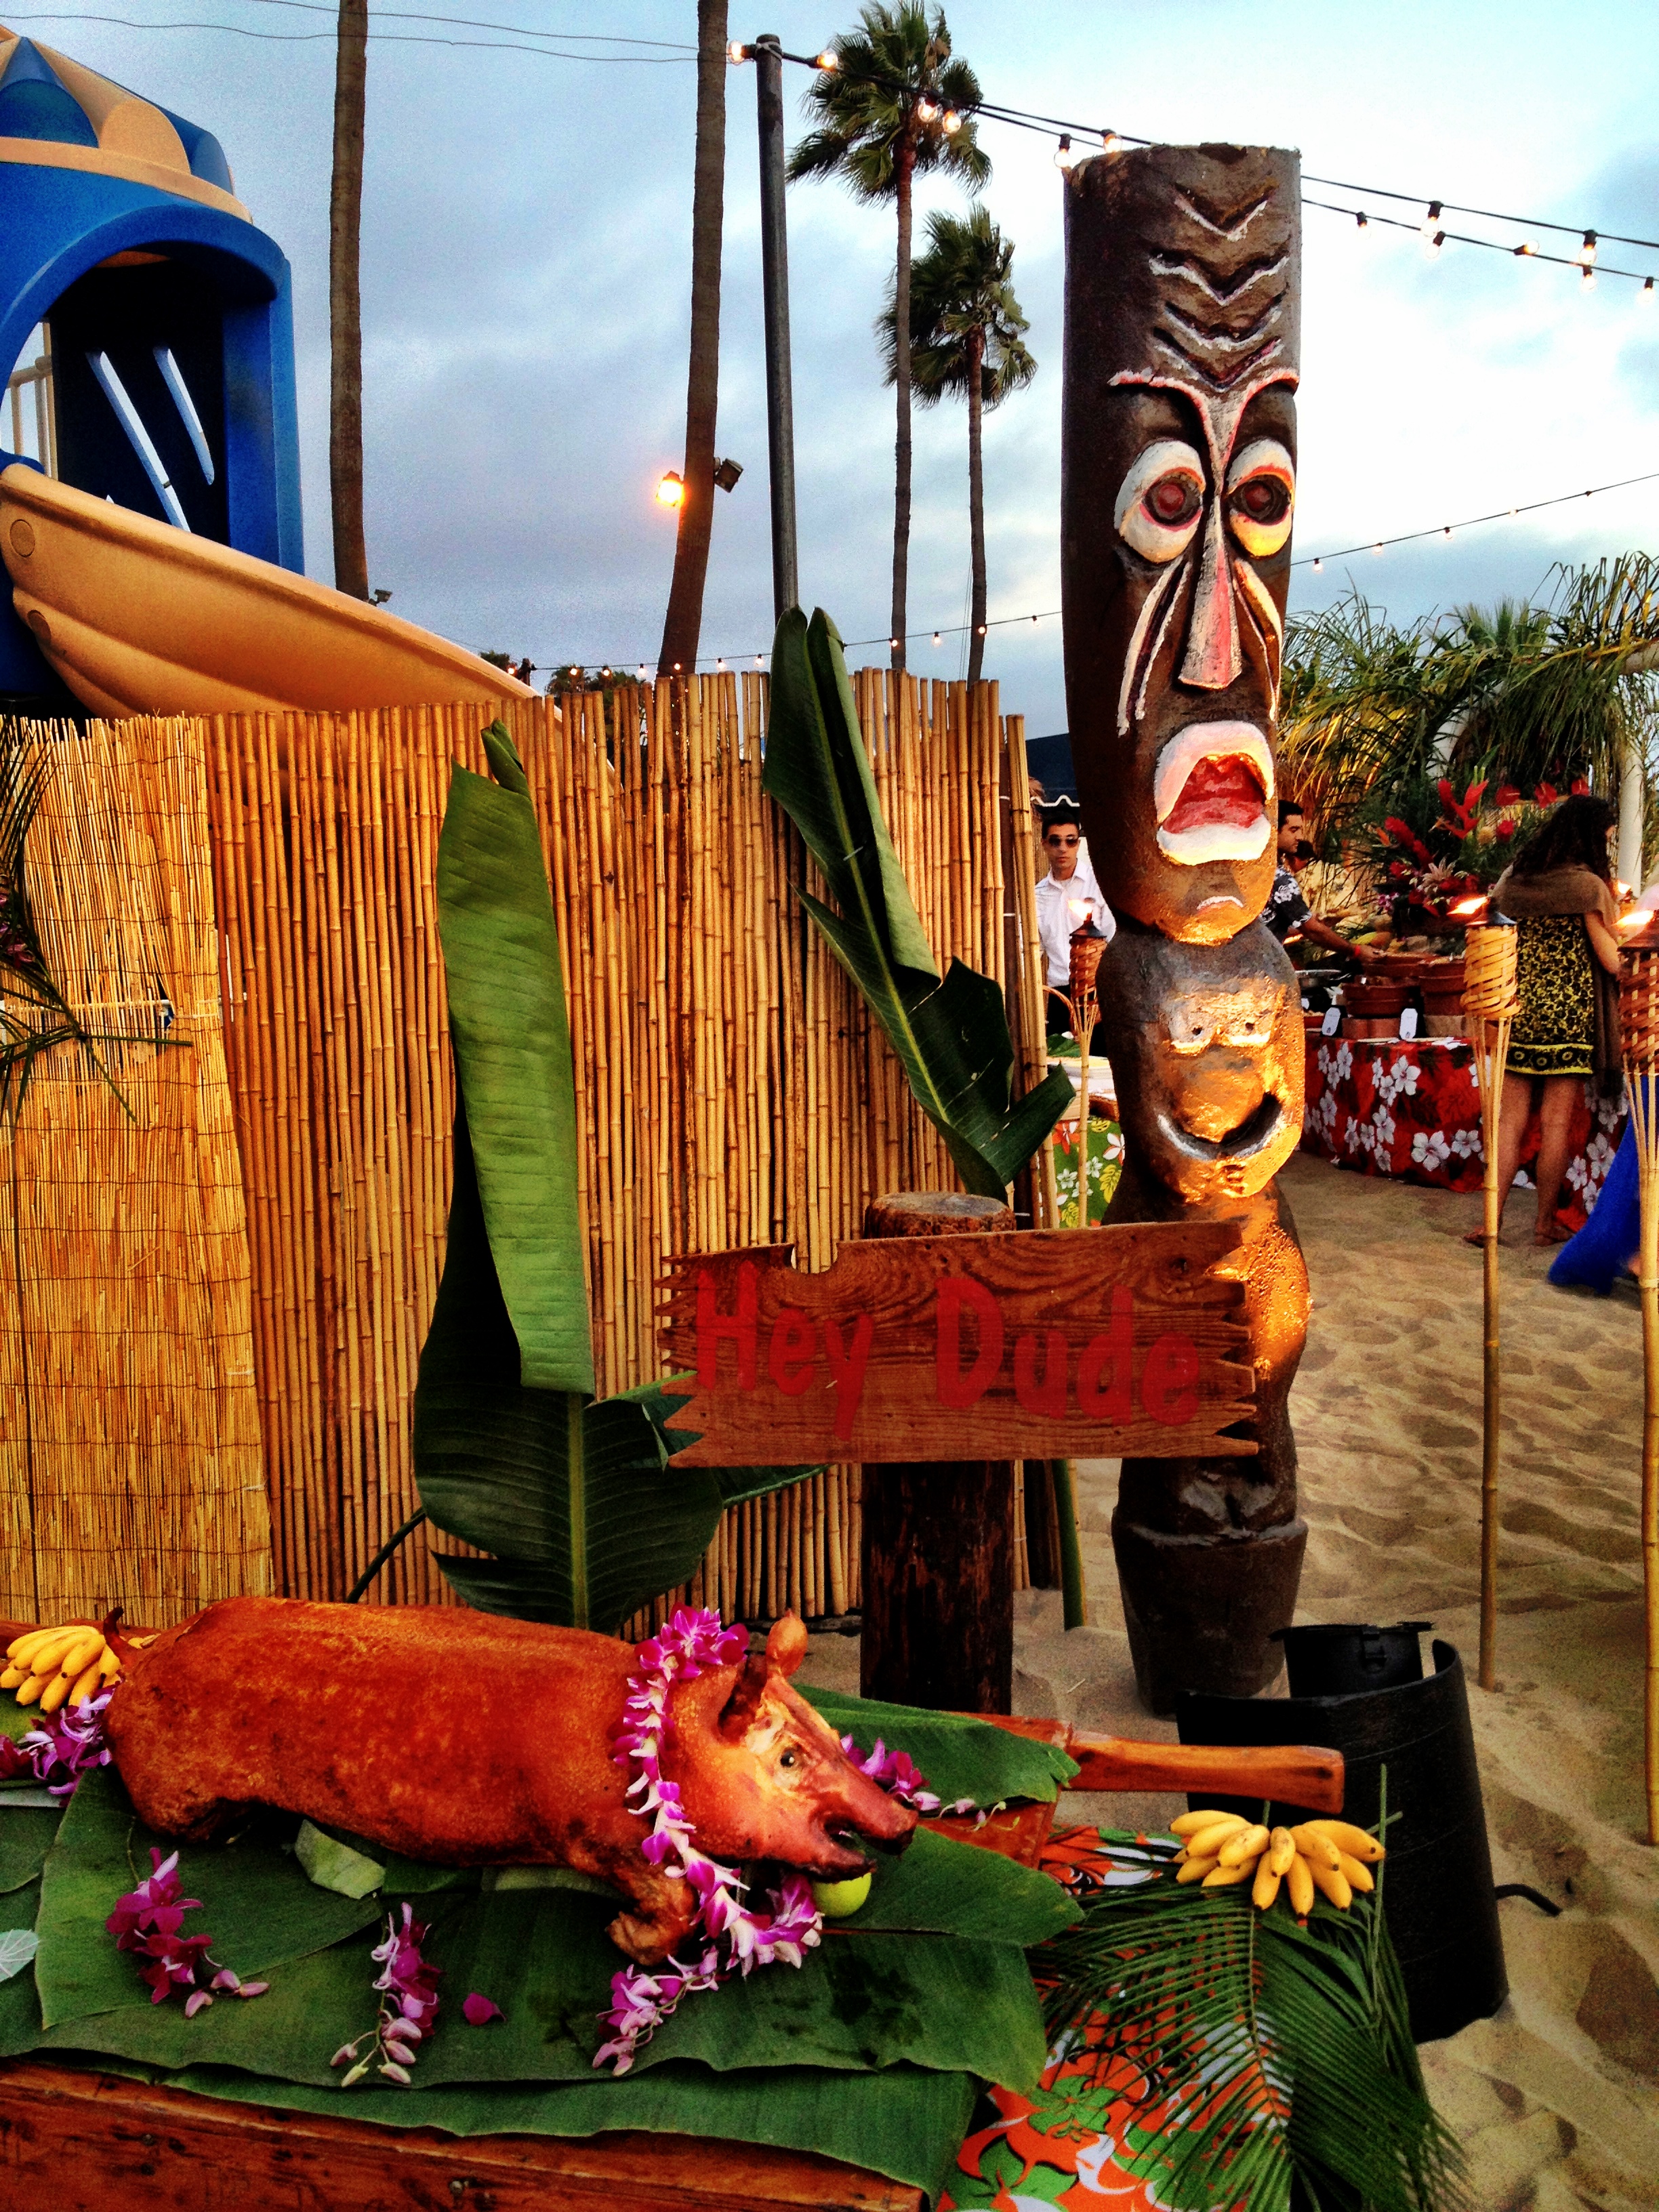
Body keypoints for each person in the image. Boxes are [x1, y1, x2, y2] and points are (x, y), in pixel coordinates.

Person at [1467, 792, 1624, 1246]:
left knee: (1508, 1123)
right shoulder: (1586, 888)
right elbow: (1612, 961)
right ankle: (1542, 1226)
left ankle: (1490, 1224)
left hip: (1519, 1012)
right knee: (1556, 1125)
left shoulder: (1515, 884)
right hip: (1570, 1017)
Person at [1265, 801, 1378, 962]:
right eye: (1293, 830)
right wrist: (1357, 951)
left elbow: (1274, 926)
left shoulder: (1263, 873)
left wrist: (1314, 922)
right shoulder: (1279, 879)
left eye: (1301, 830)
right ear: (1273, 830)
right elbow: (1311, 930)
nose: (1300, 837)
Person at [1034, 804, 1113, 1023]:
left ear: (1078, 844)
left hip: (1096, 989)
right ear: (1044, 844)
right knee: (1059, 1046)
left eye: (1070, 841)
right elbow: (1029, 949)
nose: (1063, 848)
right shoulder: (1038, 895)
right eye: (1055, 841)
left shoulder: (1098, 883)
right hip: (1060, 991)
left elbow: (1113, 936)